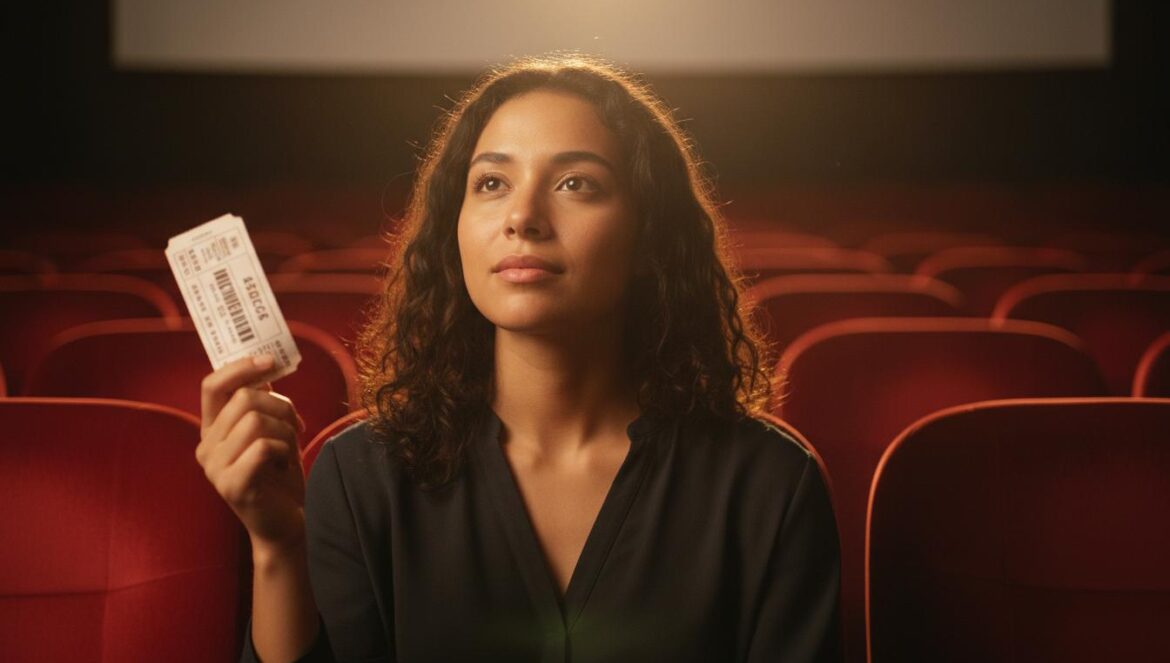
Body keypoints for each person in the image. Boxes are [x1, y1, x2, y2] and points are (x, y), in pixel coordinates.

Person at [197, 54, 842, 663]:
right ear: (455, 228)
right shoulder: (359, 474)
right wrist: (277, 547)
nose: (523, 217)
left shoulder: (771, 484)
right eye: (492, 183)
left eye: (575, 183)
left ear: (651, 232)